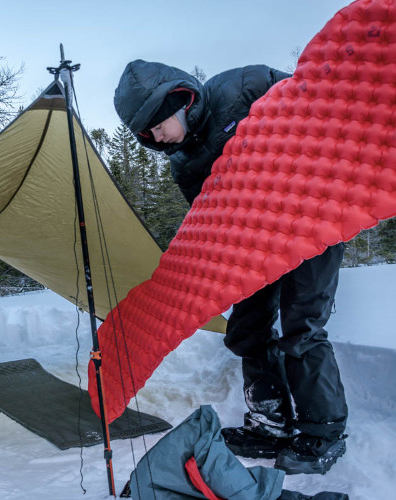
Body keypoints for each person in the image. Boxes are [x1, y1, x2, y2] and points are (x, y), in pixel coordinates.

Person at [113, 60, 348, 475]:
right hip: (255, 241)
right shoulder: (183, 163)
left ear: (177, 99)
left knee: (302, 324)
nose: (154, 137)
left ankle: (323, 430)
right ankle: (270, 423)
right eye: (145, 133)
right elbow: (212, 219)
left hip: (315, 217)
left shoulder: (245, 86)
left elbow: (323, 104)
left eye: (156, 124)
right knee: (247, 328)